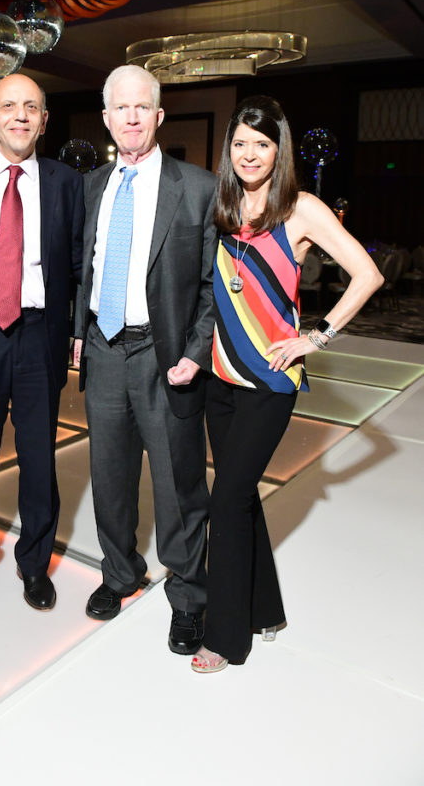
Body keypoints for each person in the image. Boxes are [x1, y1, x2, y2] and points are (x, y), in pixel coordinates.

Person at [192, 95, 383, 673]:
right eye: (241, 143)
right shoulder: (223, 203)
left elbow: (367, 275)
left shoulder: (300, 208)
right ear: (230, 147)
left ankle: (226, 637)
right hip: (221, 376)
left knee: (223, 502)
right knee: (241, 496)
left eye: (263, 144)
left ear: (280, 151)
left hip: (270, 381)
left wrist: (315, 335)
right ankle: (266, 609)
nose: (250, 154)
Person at [74, 64, 217, 655]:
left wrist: (195, 352)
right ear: (106, 118)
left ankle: (188, 597)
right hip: (104, 348)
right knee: (108, 477)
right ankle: (119, 573)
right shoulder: (93, 185)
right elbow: (84, 264)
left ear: (159, 116)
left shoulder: (199, 188)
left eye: (143, 108)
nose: (131, 118)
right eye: (120, 108)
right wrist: (77, 330)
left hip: (166, 359)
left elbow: (213, 286)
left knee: (178, 481)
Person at [0, 73, 84, 612]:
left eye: (31, 107)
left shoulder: (65, 182)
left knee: (37, 457)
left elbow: (78, 264)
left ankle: (35, 564)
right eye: (9, 106)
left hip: (38, 334)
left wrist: (77, 333)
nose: (20, 116)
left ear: (45, 120)